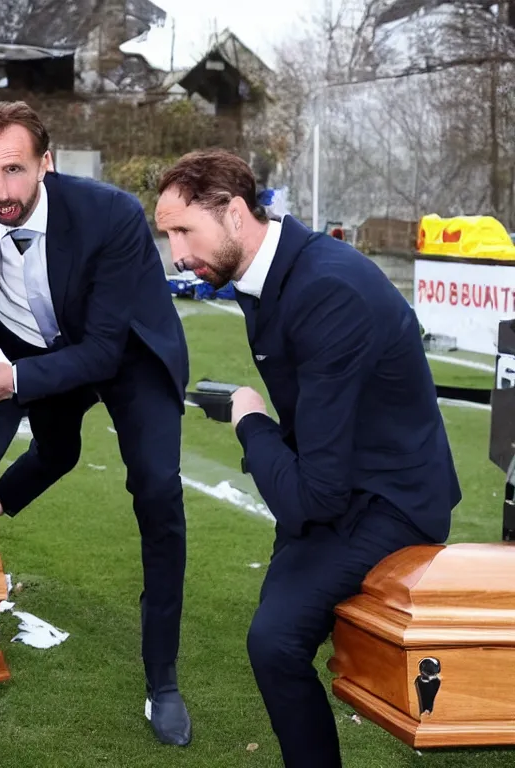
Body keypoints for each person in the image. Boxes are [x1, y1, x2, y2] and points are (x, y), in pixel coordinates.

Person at [153, 149, 461, 768]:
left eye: (184, 230)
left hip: (392, 500)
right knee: (275, 637)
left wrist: (249, 418)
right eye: (167, 234)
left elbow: (309, 498)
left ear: (235, 214)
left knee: (274, 640)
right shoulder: (260, 270)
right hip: (337, 482)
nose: (177, 252)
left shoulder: (327, 290)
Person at [0, 101, 192, 746]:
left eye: (14, 169)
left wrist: (11, 378)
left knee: (156, 490)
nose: (1, 191)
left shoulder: (112, 215)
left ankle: (163, 681)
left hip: (127, 355)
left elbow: (100, 350)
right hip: (40, 353)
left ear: (46, 161)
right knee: (57, 450)